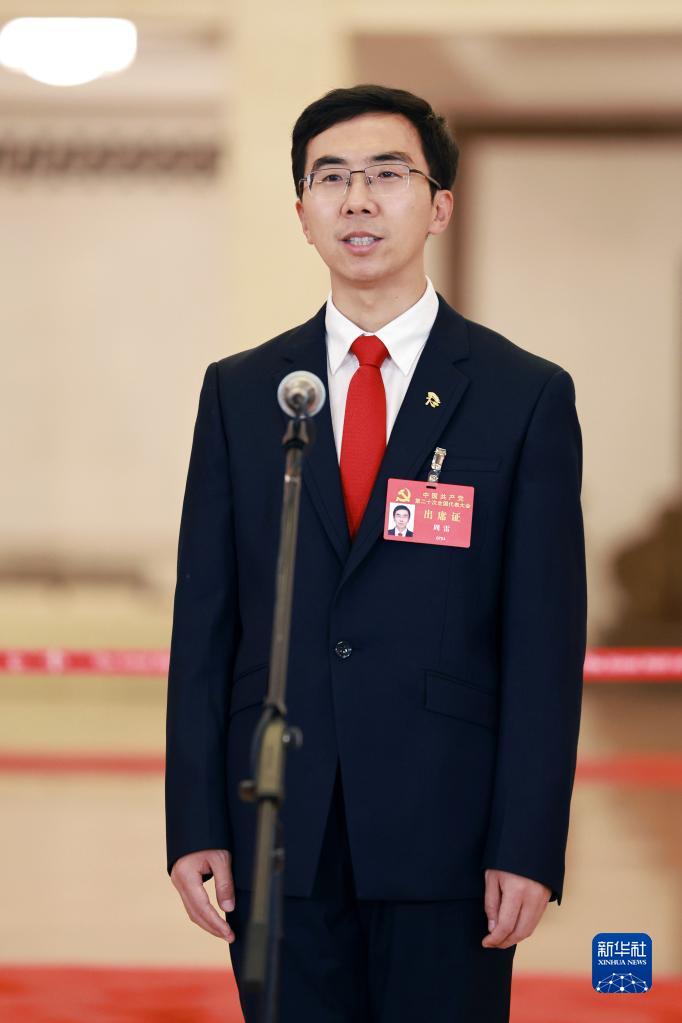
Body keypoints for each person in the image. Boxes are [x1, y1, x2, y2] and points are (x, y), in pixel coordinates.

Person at [165, 84, 587, 1022]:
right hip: (278, 827)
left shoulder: (523, 396)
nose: (358, 199)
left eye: (388, 175)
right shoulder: (242, 393)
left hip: (448, 833)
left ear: (439, 205)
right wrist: (194, 820)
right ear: (303, 212)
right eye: (332, 178)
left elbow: (544, 644)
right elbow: (205, 625)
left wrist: (527, 841)